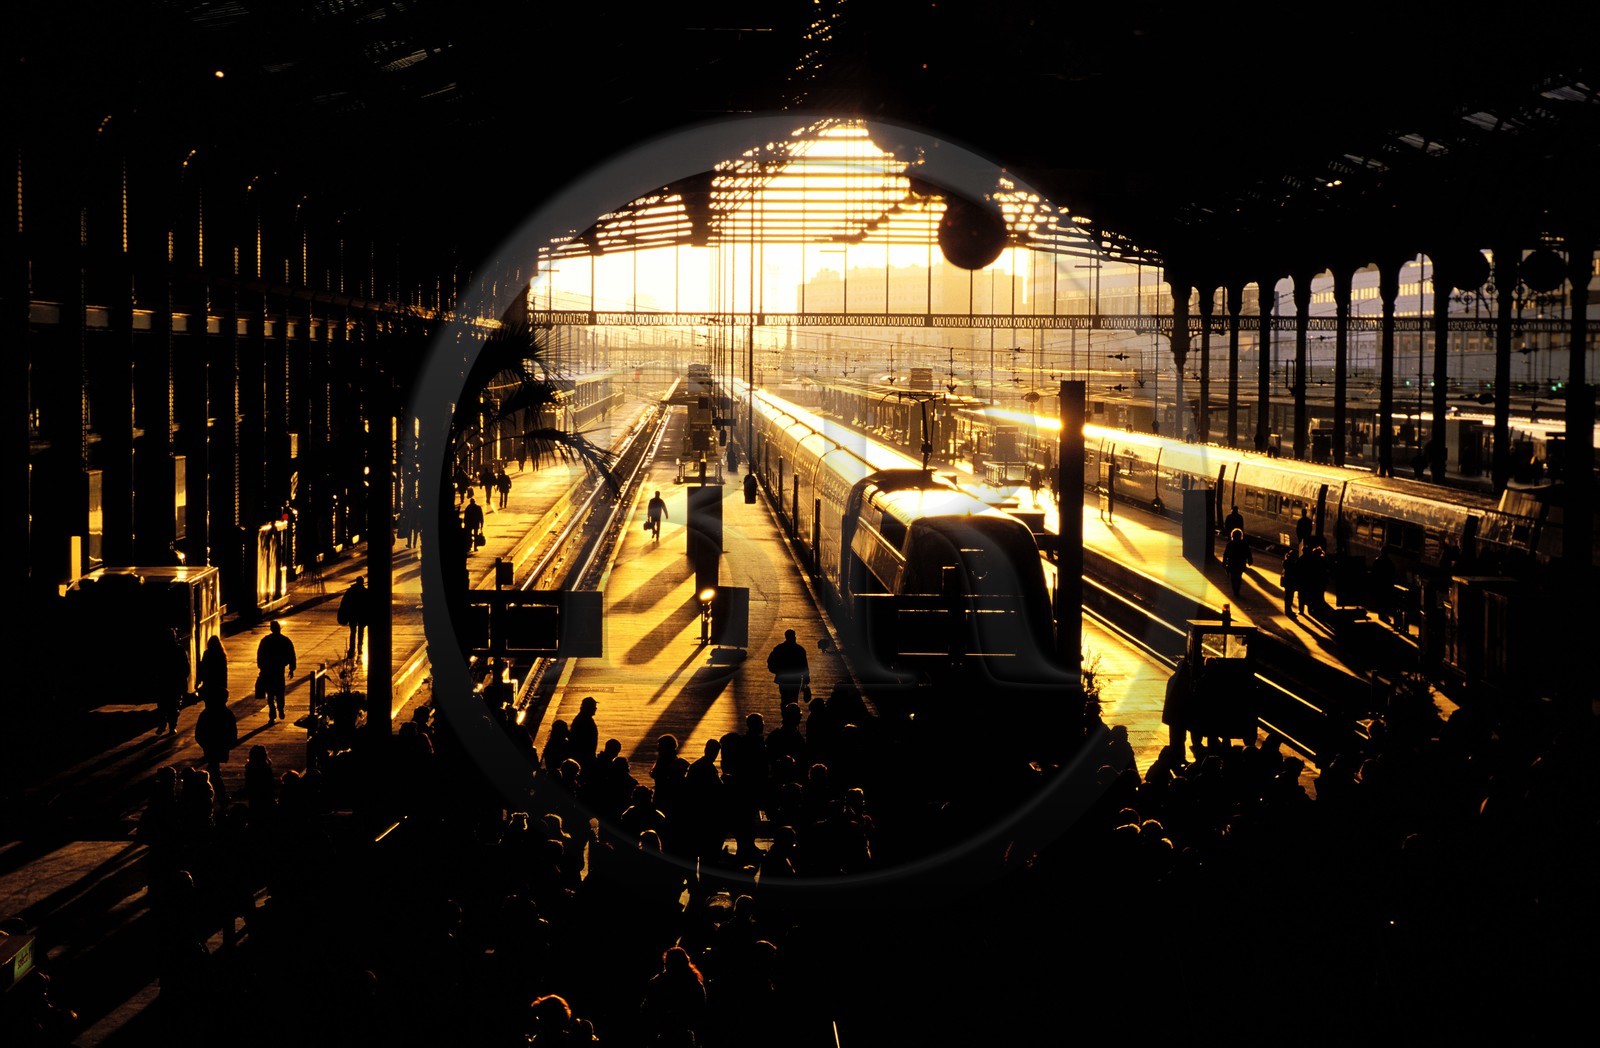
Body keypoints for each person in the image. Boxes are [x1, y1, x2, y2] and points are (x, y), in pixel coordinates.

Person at [194, 687, 238, 808]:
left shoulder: (206, 713)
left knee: (213, 768)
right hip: (221, 745)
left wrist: (204, 743)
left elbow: (199, 733)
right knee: (214, 769)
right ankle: (221, 796)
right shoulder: (227, 713)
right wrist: (230, 743)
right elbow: (233, 731)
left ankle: (219, 795)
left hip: (210, 745)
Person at [256, 619, 296, 724]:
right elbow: (291, 655)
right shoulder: (285, 640)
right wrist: (292, 668)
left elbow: (260, 655)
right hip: (279, 670)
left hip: (268, 670)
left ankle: (272, 712)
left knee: (270, 693)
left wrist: (261, 667)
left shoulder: (265, 640)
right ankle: (280, 708)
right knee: (280, 691)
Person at [766, 629, 810, 705]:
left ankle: (785, 712)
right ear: (794, 636)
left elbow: (770, 660)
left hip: (783, 678)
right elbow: (804, 666)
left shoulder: (779, 648)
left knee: (784, 697)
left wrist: (776, 671)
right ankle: (793, 713)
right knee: (794, 698)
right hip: (796, 679)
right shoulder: (800, 650)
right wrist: (806, 679)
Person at [157, 628, 188, 735]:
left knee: (162, 705)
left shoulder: (161, 650)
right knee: (173, 705)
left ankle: (162, 724)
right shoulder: (179, 649)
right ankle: (172, 726)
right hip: (175, 682)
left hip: (164, 682)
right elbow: (185, 666)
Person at [338, 576, 369, 661]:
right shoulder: (365, 591)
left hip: (352, 615)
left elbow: (344, 603)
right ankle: (359, 647)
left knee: (353, 632)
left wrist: (344, 614)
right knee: (361, 631)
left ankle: (352, 649)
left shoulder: (350, 591)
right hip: (361, 615)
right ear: (362, 582)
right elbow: (368, 605)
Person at [196, 634, 228, 706]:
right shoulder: (221, 655)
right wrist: (225, 686)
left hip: (208, 683)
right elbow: (224, 672)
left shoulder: (207, 653)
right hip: (219, 684)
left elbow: (202, 668)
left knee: (209, 703)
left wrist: (198, 681)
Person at [1222, 527, 1253, 599]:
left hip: (1232, 563)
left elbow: (1226, 554)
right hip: (1240, 563)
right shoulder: (1244, 544)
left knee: (1233, 578)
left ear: (1232, 536)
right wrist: (1250, 560)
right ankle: (1237, 591)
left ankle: (1235, 591)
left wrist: (1224, 563)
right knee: (1239, 577)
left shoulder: (1230, 544)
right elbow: (1248, 553)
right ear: (1241, 536)